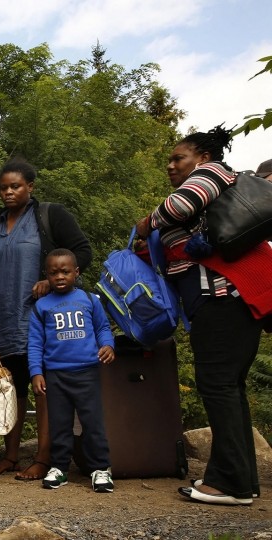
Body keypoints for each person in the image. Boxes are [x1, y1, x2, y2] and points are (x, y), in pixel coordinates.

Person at [136, 126, 271, 506]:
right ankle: (241, 481)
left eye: (178, 158)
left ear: (202, 158)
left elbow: (178, 208)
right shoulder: (206, 184)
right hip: (223, 302)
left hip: (222, 299)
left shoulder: (210, 174)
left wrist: (149, 221)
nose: (170, 165)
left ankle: (229, 482)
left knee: (218, 386)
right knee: (229, 388)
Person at [0, 159, 92, 481]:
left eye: (15, 186)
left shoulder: (49, 215)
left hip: (40, 318)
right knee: (9, 388)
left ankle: (43, 457)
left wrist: (51, 281)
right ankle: (10, 456)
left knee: (41, 387)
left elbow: (82, 251)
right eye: (3, 188)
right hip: (1, 320)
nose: (9, 192)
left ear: (30, 187)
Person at [28, 249, 115, 492]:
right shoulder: (41, 307)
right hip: (55, 375)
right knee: (60, 425)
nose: (60, 277)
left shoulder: (90, 300)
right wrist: (36, 372)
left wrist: (108, 345)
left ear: (76, 272)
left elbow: (103, 328)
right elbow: (35, 343)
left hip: (86, 372)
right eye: (54, 272)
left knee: (93, 423)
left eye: (65, 271)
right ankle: (59, 468)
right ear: (46, 275)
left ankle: (101, 469)